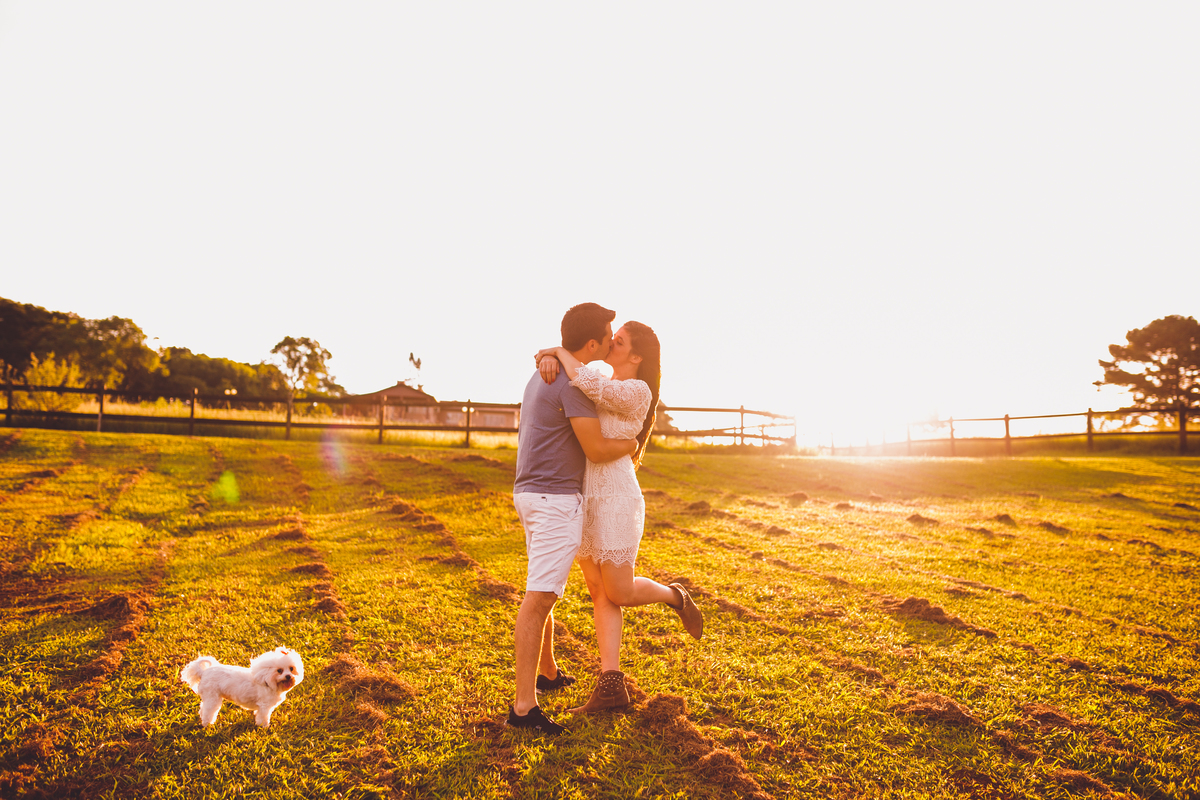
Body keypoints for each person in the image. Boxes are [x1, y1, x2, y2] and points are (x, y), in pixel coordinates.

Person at [535, 320, 703, 715]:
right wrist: (548, 354)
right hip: (587, 499)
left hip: (616, 499)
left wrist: (557, 354)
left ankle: (675, 595)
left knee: (620, 591)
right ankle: (611, 685)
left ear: (637, 356)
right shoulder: (597, 372)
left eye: (620, 340)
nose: (612, 342)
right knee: (598, 591)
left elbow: (590, 387)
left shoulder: (637, 391)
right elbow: (570, 369)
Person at [508, 302, 639, 736]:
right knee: (540, 597)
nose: (612, 339)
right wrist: (631, 444)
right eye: (608, 335)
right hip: (554, 499)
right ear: (591, 344)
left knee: (545, 588)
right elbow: (598, 450)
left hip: (530, 492)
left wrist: (550, 353)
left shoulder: (544, 371)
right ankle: (523, 709)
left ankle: (546, 672)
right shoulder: (571, 383)